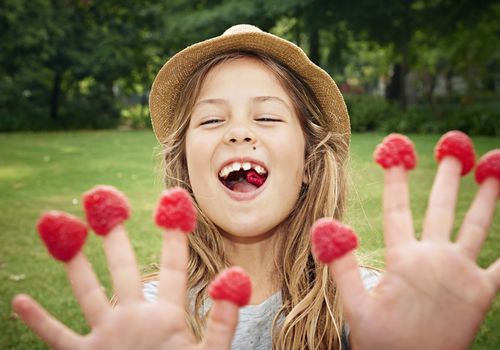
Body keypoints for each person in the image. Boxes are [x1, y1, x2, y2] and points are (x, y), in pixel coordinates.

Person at [12, 24, 499, 350]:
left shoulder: (370, 307)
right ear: (186, 169)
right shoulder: (148, 314)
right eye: (211, 119)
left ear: (309, 162)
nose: (239, 132)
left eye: (266, 116)